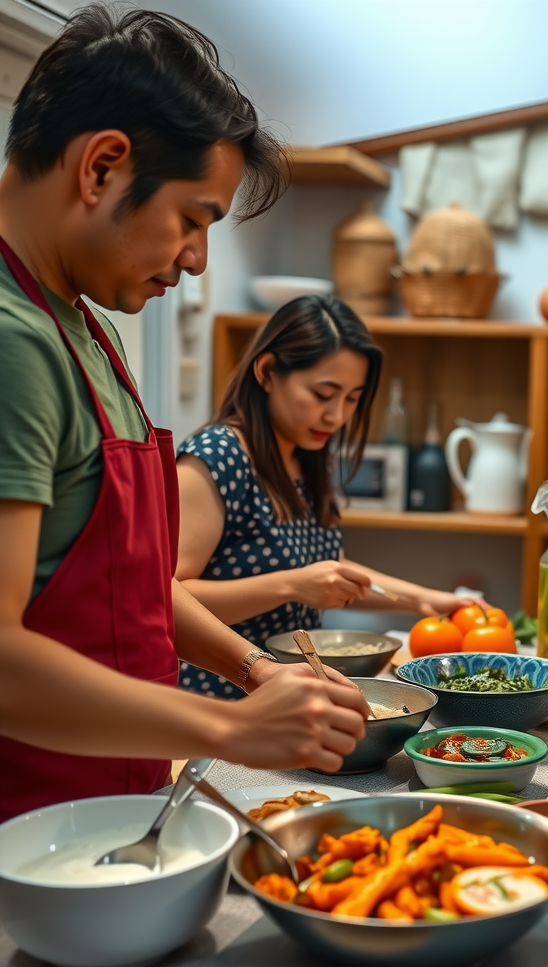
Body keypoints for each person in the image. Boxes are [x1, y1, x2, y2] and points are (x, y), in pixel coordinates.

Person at [0, 6, 370, 822]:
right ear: (101, 167)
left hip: (107, 809)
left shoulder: (86, 331)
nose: (199, 258)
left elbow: (125, 586)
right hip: (29, 832)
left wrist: (254, 670)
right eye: (194, 218)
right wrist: (230, 728)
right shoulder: (14, 345)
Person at [175, 295, 477, 698]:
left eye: (352, 398)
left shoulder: (305, 456)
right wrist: (291, 586)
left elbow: (327, 572)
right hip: (220, 699)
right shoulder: (216, 457)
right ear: (267, 372)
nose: (337, 416)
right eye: (323, 394)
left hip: (291, 697)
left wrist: (425, 600)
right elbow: (169, 594)